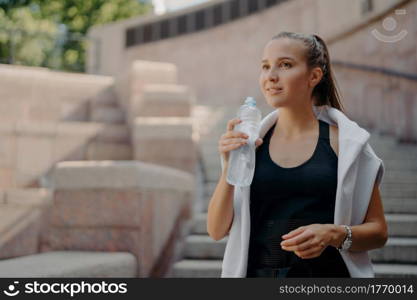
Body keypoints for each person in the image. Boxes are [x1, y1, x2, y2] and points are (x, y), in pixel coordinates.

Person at [206, 32, 388, 278]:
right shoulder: (251, 145)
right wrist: (230, 166)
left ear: (314, 76)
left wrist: (333, 234)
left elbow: (378, 232)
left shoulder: (347, 144)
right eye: (265, 66)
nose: (271, 76)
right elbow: (216, 230)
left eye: (285, 65)